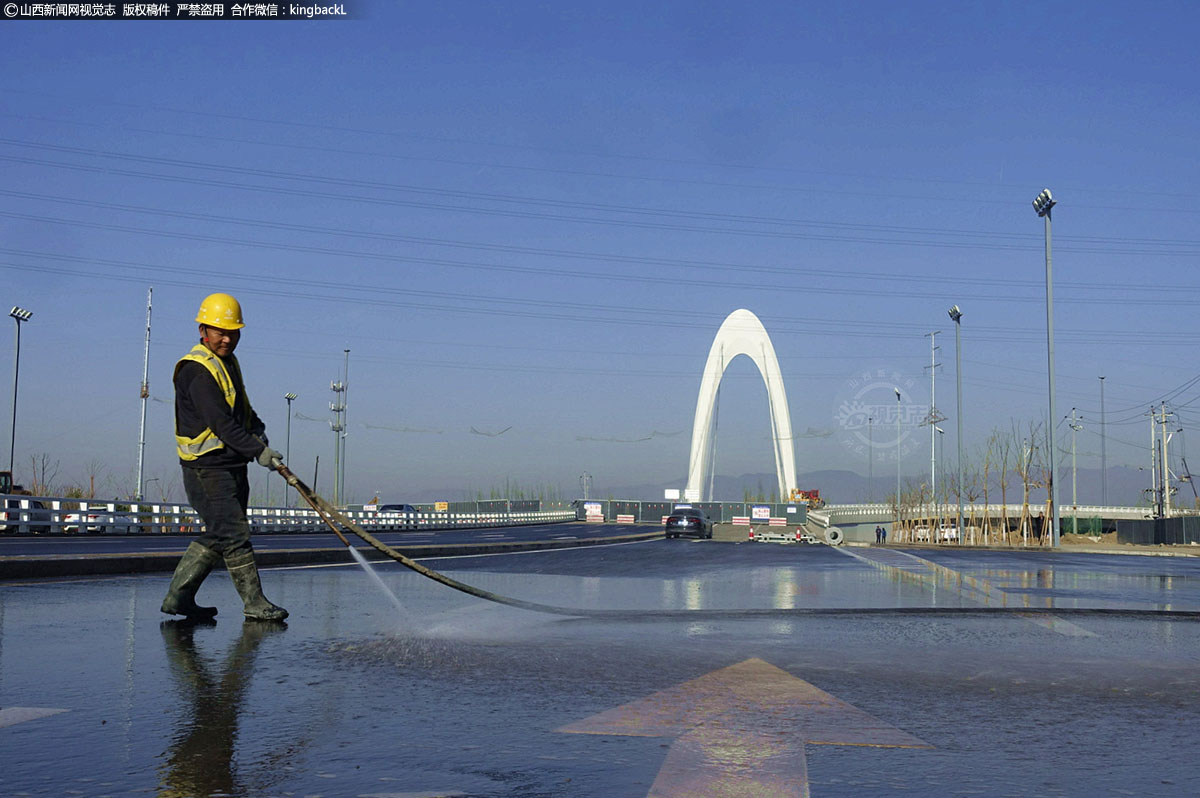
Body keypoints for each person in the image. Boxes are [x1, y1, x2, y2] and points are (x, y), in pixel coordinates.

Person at [161, 293, 287, 621]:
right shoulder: (196, 370)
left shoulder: (226, 363)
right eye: (220, 331)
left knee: (220, 532)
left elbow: (239, 408)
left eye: (233, 332)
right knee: (233, 532)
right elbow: (220, 422)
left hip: (230, 464)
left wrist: (257, 428)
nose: (227, 338)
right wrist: (258, 451)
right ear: (203, 330)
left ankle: (179, 598)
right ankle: (255, 603)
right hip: (206, 468)